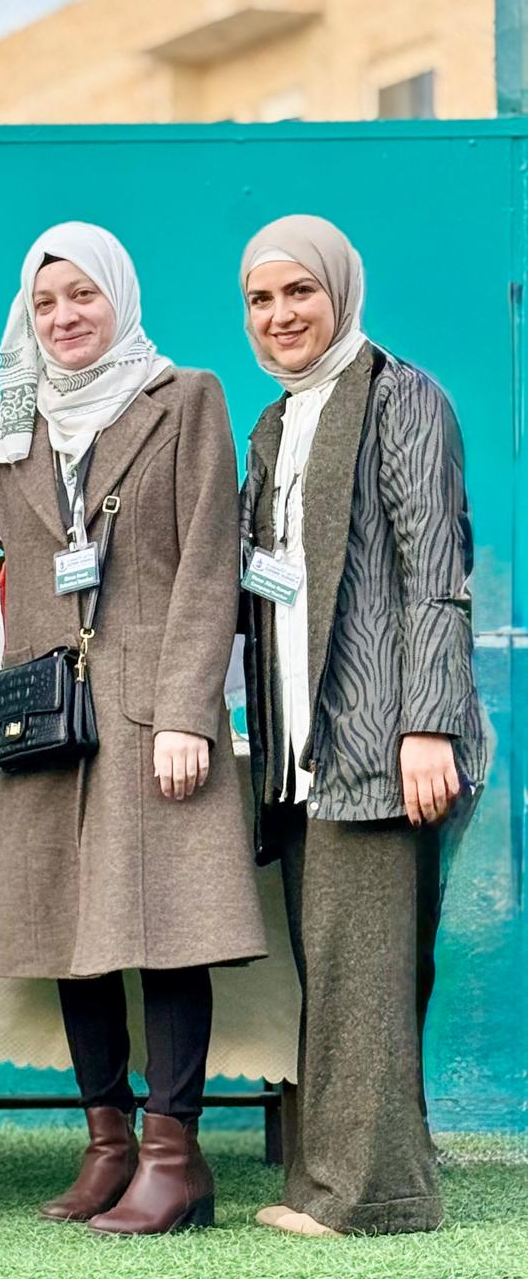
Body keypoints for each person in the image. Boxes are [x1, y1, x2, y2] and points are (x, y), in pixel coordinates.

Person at [0, 222, 265, 1235]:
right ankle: (107, 1144)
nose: (62, 317)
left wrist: (188, 712)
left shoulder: (183, 397)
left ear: (117, 296)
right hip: (47, 720)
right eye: (44, 302)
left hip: (152, 712)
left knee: (168, 929)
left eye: (81, 296)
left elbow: (208, 561)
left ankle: (172, 1156)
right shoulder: (14, 421)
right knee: (74, 932)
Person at [238, 214, 487, 1237]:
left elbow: (435, 570)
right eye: (259, 299)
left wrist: (425, 724)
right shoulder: (274, 422)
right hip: (307, 748)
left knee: (364, 973)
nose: (279, 315)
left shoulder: (400, 396)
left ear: (339, 291)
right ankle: (338, 1181)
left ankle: (369, 1197)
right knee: (341, 968)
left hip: (383, 739)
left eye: (298, 291)